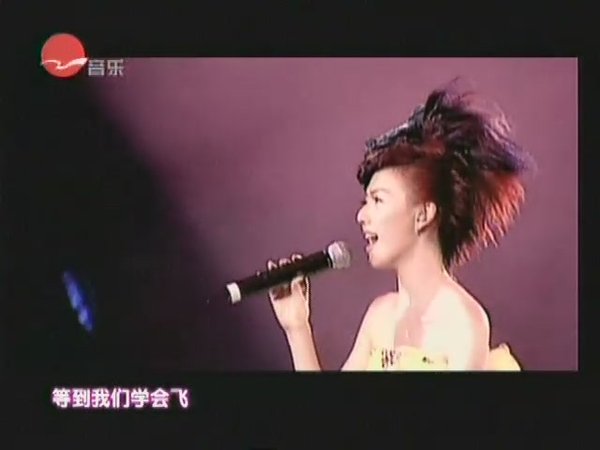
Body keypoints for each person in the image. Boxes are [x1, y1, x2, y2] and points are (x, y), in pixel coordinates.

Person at [267, 80, 533, 371]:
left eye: (378, 200)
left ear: (423, 215)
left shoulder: (462, 322)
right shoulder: (380, 317)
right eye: (365, 202)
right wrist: (297, 326)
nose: (362, 216)